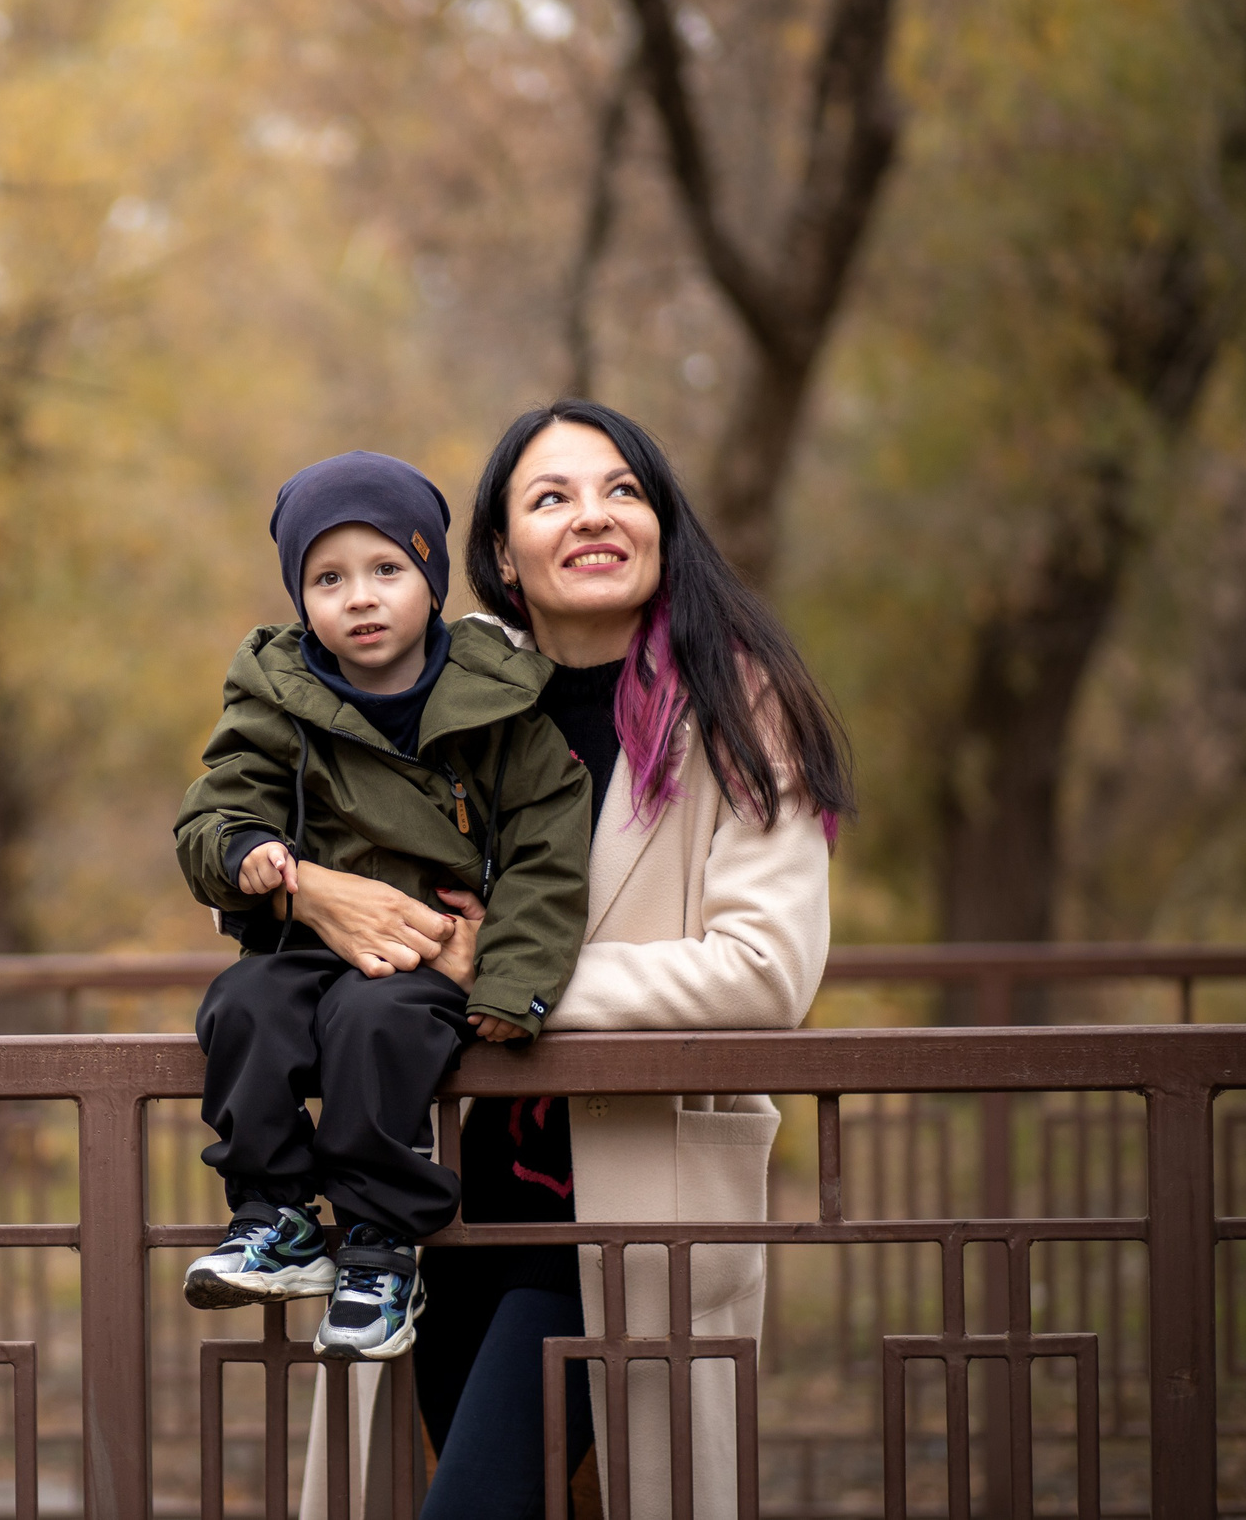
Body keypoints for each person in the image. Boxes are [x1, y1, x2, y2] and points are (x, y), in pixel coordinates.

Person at [286, 403, 843, 1519]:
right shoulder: (448, 702)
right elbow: (310, 857)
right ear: (499, 553)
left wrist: (503, 978)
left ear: (660, 526)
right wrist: (312, 888)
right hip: (437, 1200)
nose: (592, 516)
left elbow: (764, 970)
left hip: (625, 1204)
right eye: (550, 498)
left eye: (621, 490)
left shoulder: (733, 705)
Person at [173, 450, 593, 1362]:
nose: (359, 597)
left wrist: (512, 984)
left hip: (420, 953)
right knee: (239, 1004)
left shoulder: (497, 703)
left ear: (430, 578)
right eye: (328, 578)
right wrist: (247, 852)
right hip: (305, 938)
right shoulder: (278, 693)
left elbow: (545, 855)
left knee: (374, 1025)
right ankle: (274, 1213)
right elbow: (216, 807)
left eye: (386, 569)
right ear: (300, 596)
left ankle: (378, 1245)